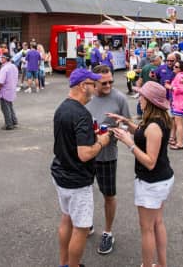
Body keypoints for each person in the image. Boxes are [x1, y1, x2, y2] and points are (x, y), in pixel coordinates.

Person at [109, 81, 174, 267]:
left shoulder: (154, 126)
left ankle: (147, 265)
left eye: (142, 96)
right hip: (162, 179)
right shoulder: (158, 120)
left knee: (147, 229)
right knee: (157, 223)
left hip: (152, 182)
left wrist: (129, 143)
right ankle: (162, 264)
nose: (139, 99)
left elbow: (150, 162)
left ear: (150, 100)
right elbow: (142, 133)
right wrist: (127, 122)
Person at [50, 68, 110, 267]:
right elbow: (84, 154)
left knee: (67, 218)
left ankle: (64, 263)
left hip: (61, 173)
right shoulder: (82, 114)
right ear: (83, 86)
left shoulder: (61, 108)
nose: (95, 88)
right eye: (93, 84)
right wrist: (101, 141)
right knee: (82, 228)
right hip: (77, 179)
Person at [85, 64, 131, 255]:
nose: (109, 85)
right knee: (84, 191)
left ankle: (108, 232)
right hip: (86, 154)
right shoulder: (85, 97)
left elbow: (128, 125)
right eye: (104, 83)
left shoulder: (119, 98)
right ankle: (86, 223)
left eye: (111, 81)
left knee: (108, 195)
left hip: (107, 156)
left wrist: (119, 130)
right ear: (94, 82)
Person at [168, 59, 183, 150]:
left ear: (181, 69)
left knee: (179, 123)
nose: (174, 67)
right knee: (180, 123)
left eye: (176, 66)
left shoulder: (180, 76)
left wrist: (171, 87)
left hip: (180, 103)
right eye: (174, 66)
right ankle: (180, 140)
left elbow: (180, 90)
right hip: (180, 102)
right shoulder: (180, 75)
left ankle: (180, 143)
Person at [0, 53, 19, 130]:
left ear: (5, 59)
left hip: (5, 90)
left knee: (5, 108)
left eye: (2, 57)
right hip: (12, 89)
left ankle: (8, 124)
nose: (0, 59)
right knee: (10, 106)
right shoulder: (14, 66)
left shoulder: (4, 68)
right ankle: (14, 120)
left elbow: (1, 82)